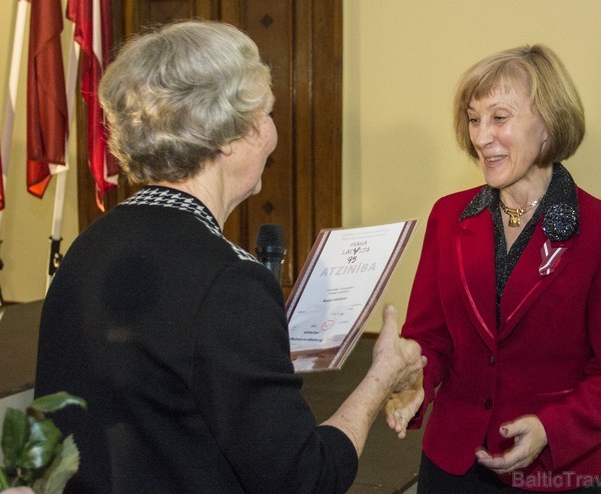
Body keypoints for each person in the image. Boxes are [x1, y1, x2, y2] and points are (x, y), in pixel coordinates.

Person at [33, 20, 424, 494]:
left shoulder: (88, 247)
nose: (273, 135)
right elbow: (305, 479)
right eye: (267, 115)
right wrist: (380, 376)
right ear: (227, 135)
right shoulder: (227, 279)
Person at [385, 45, 601, 492]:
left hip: (558, 470)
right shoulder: (448, 217)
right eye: (473, 118)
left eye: (499, 118)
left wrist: (551, 428)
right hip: (453, 465)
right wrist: (416, 385)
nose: (481, 137)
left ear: (548, 123)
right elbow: (431, 338)